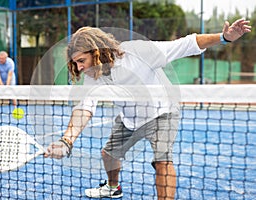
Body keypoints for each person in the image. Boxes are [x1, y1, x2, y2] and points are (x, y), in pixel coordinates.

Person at [44, 18, 251, 199]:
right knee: (108, 155)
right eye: (76, 63)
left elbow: (187, 44)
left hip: (162, 112)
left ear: (96, 52)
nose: (79, 68)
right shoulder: (93, 76)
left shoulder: (138, 52)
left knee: (162, 161)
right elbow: (83, 109)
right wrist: (66, 141)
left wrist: (225, 37)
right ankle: (113, 188)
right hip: (130, 118)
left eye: (81, 61)